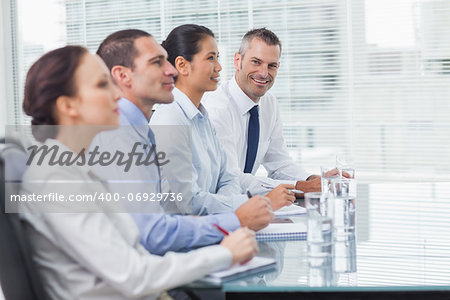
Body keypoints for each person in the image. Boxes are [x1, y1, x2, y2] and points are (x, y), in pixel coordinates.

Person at [19, 45, 258, 299]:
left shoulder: (79, 167)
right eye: (102, 85)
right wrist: (223, 254)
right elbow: (132, 275)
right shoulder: (57, 179)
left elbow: (133, 252)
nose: (117, 94)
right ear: (68, 105)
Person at [94, 29, 273, 255]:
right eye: (157, 62)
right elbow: (157, 232)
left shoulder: (150, 128)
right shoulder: (127, 134)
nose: (170, 70)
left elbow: (227, 177)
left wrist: (231, 214)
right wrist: (235, 217)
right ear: (123, 76)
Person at [150, 24, 295, 216]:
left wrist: (230, 204)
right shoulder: (169, 120)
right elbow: (190, 202)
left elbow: (228, 179)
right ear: (182, 65)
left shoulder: (202, 117)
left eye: (217, 57)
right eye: (210, 58)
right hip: (180, 238)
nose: (219, 67)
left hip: (209, 227)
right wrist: (260, 203)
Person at [203, 28, 332, 196]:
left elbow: (279, 163)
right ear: (237, 61)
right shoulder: (217, 109)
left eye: (272, 66)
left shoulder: (269, 104)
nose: (264, 73)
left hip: (247, 205)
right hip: (217, 207)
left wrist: (314, 180)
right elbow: (231, 178)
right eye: (256, 62)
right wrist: (302, 187)